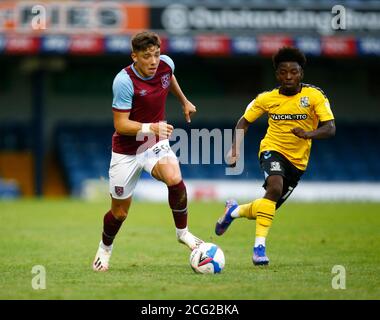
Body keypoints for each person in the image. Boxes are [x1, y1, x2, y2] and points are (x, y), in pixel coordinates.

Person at [93, 31, 203, 272]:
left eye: (156, 54)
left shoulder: (165, 65)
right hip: (126, 149)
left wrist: (184, 101)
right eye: (146, 56)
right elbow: (121, 125)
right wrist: (151, 126)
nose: (153, 61)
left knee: (174, 178)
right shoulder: (123, 81)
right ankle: (105, 248)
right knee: (119, 213)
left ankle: (183, 233)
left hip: (152, 143)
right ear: (135, 56)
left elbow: (169, 77)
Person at [215, 47, 336, 266]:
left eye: (293, 72)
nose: (288, 76)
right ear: (276, 74)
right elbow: (244, 121)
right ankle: (258, 249)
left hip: (298, 162)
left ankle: (233, 212)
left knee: (266, 205)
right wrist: (234, 149)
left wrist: (308, 133)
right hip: (272, 149)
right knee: (274, 188)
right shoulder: (267, 98)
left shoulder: (314, 96)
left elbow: (330, 128)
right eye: (283, 72)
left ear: (301, 73)